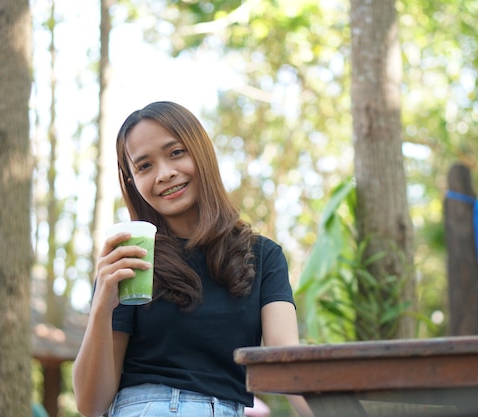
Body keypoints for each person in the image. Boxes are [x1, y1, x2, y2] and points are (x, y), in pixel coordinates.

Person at [72, 101, 313, 417]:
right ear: (132, 181)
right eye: (145, 166)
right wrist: (103, 306)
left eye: (176, 153)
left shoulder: (263, 256)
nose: (165, 173)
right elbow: (91, 405)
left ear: (202, 153)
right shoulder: (132, 258)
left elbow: (286, 363)